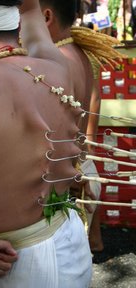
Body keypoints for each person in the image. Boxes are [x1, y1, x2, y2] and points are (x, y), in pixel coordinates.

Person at [0, 0, 93, 287]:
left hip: (14, 263)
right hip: (70, 243)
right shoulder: (56, 66)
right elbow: (30, 10)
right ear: (16, 24)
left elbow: (28, 10)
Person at [39, 0, 103, 251]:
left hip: (63, 159)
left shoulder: (53, 59)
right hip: (78, 150)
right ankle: (93, 241)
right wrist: (88, 144)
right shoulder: (81, 53)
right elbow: (94, 99)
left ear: (46, 17)